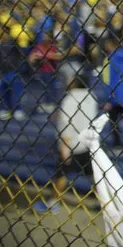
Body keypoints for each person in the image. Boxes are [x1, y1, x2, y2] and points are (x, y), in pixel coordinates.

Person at [34, 76, 98, 213]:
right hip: (87, 143)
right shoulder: (91, 97)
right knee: (93, 175)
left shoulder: (70, 99)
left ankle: (53, 203)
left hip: (72, 144)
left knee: (62, 174)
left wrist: (64, 147)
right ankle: (105, 202)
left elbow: (67, 125)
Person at [0, 22, 27, 121]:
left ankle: (18, 110)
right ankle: (6, 110)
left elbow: (22, 55)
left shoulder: (14, 43)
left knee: (16, 91)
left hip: (13, 71)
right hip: (3, 71)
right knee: (4, 92)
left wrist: (19, 68)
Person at [28, 29, 62, 113]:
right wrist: (34, 57)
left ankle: (52, 103)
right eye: (43, 36)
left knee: (52, 87)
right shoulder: (39, 46)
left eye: (46, 36)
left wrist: (44, 55)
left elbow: (59, 56)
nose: (44, 38)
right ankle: (46, 103)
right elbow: (31, 57)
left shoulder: (54, 46)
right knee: (44, 88)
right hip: (41, 70)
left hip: (51, 70)